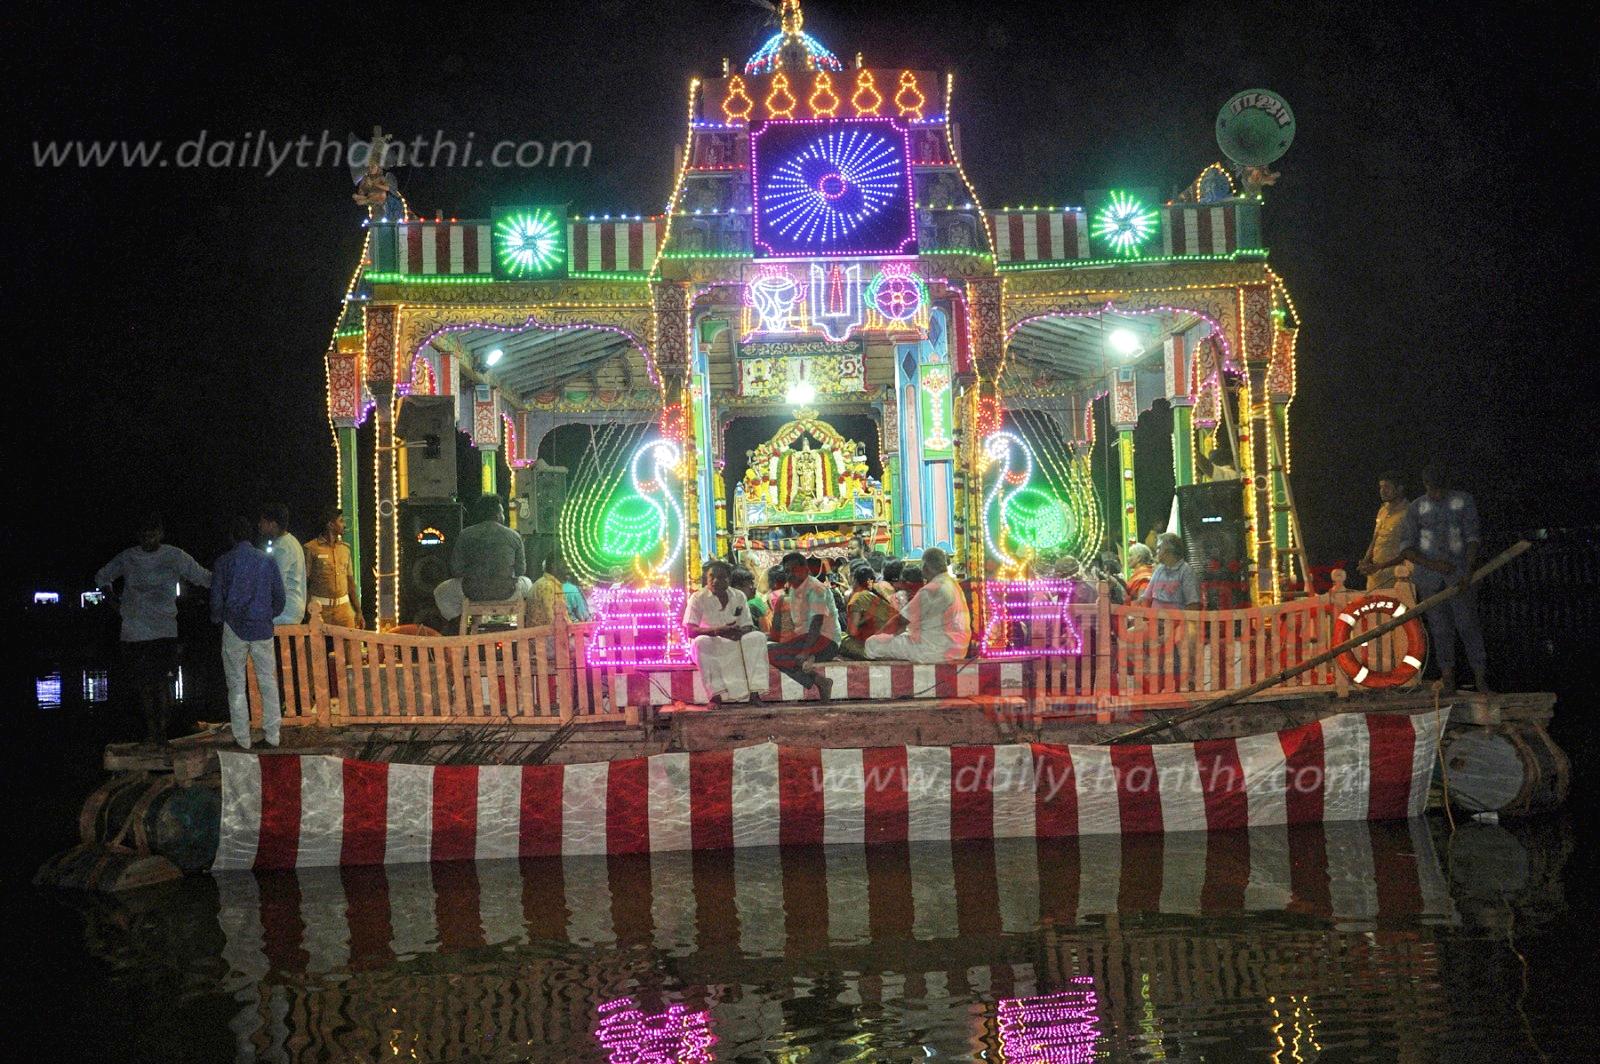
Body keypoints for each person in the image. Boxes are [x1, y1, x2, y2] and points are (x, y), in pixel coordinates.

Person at [95, 513, 212, 745]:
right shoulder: (128, 557)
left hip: (163, 631)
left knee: (161, 684)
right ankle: (152, 733)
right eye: (144, 535)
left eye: (153, 534)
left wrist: (232, 578)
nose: (149, 539)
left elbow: (203, 577)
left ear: (161, 534)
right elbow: (102, 577)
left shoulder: (174, 556)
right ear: (138, 536)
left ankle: (162, 734)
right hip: (134, 632)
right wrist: (115, 603)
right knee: (144, 686)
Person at [1376, 464, 1488, 694]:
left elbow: (1473, 538)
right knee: (1440, 630)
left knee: (1468, 627)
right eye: (1431, 489)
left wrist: (1467, 570)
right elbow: (1407, 549)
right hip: (1429, 580)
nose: (1436, 494)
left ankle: (1481, 680)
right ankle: (1448, 679)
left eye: (1439, 489)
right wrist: (1433, 565)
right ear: (1425, 485)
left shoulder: (1463, 501)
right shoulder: (1417, 508)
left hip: (1460, 578)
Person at [211, 516, 285, 750]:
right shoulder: (267, 560)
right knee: (268, 681)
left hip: (234, 628)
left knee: (236, 684)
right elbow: (280, 598)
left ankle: (242, 738)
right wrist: (267, 614)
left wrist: (218, 618)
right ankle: (272, 735)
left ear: (231, 537)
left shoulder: (223, 562)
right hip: (262, 627)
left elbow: (216, 600)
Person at [683, 560, 769, 704]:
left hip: (735, 640)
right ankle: (715, 696)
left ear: (729, 579)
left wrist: (737, 632)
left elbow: (747, 625)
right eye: (712, 576)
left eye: (721, 577)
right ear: (706, 578)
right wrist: (717, 631)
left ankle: (755, 693)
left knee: (757, 637)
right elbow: (690, 631)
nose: (715, 581)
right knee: (701, 642)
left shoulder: (739, 596)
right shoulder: (697, 598)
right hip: (711, 642)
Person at [433, 495, 529, 622]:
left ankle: (460, 622)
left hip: (472, 592)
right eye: (502, 512)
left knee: (440, 591)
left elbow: (456, 570)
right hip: (506, 592)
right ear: (497, 515)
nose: (503, 516)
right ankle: (522, 622)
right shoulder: (514, 536)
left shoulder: (465, 535)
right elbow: (521, 570)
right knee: (528, 583)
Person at [866, 547, 971, 663]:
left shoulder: (932, 589)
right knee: (898, 638)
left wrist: (879, 635)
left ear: (925, 567)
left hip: (935, 650)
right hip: (958, 649)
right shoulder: (953, 584)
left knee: (872, 643)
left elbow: (900, 621)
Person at [767, 551, 841, 698]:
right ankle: (818, 680)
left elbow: (817, 621)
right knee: (768, 651)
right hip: (807, 640)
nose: (790, 574)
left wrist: (805, 651)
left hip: (826, 641)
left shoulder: (815, 588)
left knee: (769, 653)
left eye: (793, 570)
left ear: (805, 569)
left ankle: (815, 669)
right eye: (787, 571)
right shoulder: (794, 589)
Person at [305, 506, 364, 627]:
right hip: (320, 610)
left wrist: (358, 611)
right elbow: (304, 582)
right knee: (318, 639)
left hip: (344, 610)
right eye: (341, 521)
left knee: (350, 639)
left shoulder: (345, 549)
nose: (344, 525)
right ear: (331, 525)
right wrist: (306, 610)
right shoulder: (311, 548)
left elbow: (350, 582)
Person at [1357, 471, 1409, 590]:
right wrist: (1365, 561)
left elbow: (1409, 552)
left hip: (1395, 578)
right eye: (1381, 487)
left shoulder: (1408, 513)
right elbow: (1375, 539)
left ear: (1399, 489)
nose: (1382, 491)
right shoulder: (1383, 510)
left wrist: (1380, 566)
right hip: (1375, 576)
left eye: (1387, 487)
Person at [258, 502, 306, 627]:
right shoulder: (291, 541)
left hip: (285, 613)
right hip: (293, 609)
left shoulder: (282, 548)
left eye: (263, 522)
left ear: (273, 524)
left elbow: (276, 584)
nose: (259, 525)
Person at [840, 563, 895, 659]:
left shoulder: (858, 598)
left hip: (875, 646)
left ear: (854, 580)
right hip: (892, 642)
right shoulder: (880, 593)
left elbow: (852, 632)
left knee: (840, 638)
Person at [1141, 533, 1201, 610]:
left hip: (1177, 617)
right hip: (1155, 617)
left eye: (1159, 548)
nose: (1156, 551)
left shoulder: (1186, 571)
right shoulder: (1159, 569)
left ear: (1168, 551)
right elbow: (1146, 597)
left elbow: (1193, 604)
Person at [527, 554, 570, 628]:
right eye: (565, 564)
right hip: (543, 634)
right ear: (554, 566)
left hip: (545, 632)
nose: (568, 568)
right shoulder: (548, 587)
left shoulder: (546, 583)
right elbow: (553, 621)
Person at [731, 566, 767, 632]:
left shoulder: (750, 604)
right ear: (737, 588)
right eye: (749, 584)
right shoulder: (749, 607)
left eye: (753, 584)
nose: (754, 587)